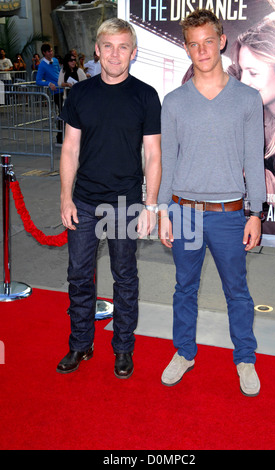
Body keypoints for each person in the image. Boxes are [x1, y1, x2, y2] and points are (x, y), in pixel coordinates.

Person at [158, 9, 266, 397]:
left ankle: (245, 359)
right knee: (183, 288)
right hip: (183, 211)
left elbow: (254, 161)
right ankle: (184, 353)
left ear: (221, 41)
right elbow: (167, 161)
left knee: (237, 290)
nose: (202, 50)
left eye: (208, 41)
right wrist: (163, 212)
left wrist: (256, 213)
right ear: (186, 48)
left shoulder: (248, 99)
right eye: (193, 43)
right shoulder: (173, 102)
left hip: (230, 215)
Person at [56, 18, 161, 378]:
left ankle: (123, 348)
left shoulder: (146, 95)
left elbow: (154, 154)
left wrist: (150, 205)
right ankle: (81, 344)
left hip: (127, 202)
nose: (115, 54)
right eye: (108, 46)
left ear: (134, 52)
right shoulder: (80, 94)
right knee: (79, 276)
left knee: (125, 277)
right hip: (84, 201)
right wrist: (65, 198)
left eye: (123, 47)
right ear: (97, 51)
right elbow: (70, 149)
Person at [228, 12, 275, 237]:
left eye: (254, 73)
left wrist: (243, 166)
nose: (244, 82)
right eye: (242, 71)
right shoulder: (261, 110)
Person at [36, 43, 63, 144]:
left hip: (63, 88)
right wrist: (49, 83)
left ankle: (65, 136)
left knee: (67, 113)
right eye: (49, 51)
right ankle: (59, 137)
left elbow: (60, 72)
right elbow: (38, 80)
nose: (51, 53)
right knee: (62, 114)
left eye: (51, 51)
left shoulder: (55, 61)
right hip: (56, 92)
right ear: (44, 53)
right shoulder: (42, 65)